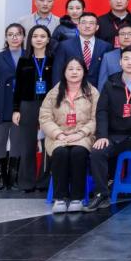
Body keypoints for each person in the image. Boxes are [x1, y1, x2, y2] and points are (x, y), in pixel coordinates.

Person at [85, 46, 131, 212]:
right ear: (120, 62)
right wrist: (102, 136)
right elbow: (102, 111)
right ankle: (101, 193)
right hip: (115, 135)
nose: (129, 62)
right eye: (126, 59)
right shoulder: (110, 84)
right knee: (97, 152)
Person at [38, 58, 97, 213]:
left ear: (84, 72)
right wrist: (58, 134)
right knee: (60, 153)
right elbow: (45, 117)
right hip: (59, 135)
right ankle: (60, 198)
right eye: (70, 69)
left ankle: (77, 198)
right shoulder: (54, 92)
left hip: (83, 136)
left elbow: (96, 118)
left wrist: (81, 134)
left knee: (78, 153)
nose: (74, 72)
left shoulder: (92, 92)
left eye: (78, 69)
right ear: (64, 72)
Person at [12, 25, 54, 192]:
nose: (39, 39)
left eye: (42, 36)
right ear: (30, 39)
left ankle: (44, 181)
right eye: (35, 36)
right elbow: (18, 87)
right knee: (27, 144)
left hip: (49, 106)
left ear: (48, 40)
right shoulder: (24, 61)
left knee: (48, 143)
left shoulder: (54, 60)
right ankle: (26, 182)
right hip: (28, 105)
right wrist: (16, 109)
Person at [0, 23, 24, 190]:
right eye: (10, 34)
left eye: (18, 34)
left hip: (22, 106)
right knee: (0, 141)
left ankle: (14, 178)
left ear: (23, 37)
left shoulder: (29, 56)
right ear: (6, 37)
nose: (14, 37)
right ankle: (1, 178)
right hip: (2, 104)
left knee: (17, 142)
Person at [52, 12, 111, 88]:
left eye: (91, 23)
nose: (87, 26)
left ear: (97, 27)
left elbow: (108, 73)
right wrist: (59, 91)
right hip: (70, 89)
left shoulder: (106, 47)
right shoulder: (65, 45)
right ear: (78, 26)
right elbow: (57, 71)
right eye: (84, 23)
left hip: (97, 90)